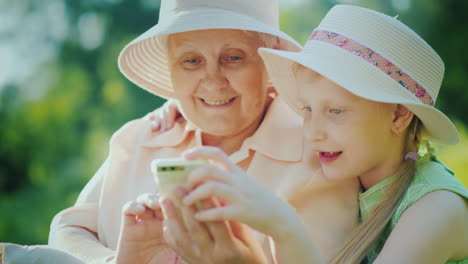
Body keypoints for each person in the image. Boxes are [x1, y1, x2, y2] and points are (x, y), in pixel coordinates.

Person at [48, 1, 359, 263]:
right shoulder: (140, 137)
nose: (213, 80)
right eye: (191, 61)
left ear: (269, 58)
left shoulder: (321, 155)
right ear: (171, 67)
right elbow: (66, 228)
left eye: (233, 57)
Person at [173, 5, 468, 264]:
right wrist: (173, 107)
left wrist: (283, 226)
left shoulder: (436, 208)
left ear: (399, 115)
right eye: (306, 110)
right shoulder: (361, 179)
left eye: (336, 112)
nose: (312, 134)